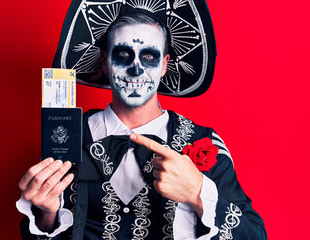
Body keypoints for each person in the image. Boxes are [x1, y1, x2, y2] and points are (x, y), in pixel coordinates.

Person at [17, 2, 267, 240]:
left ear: (164, 65)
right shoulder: (66, 135)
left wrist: (198, 192)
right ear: (104, 62)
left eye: (149, 56)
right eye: (123, 54)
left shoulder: (204, 142)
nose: (136, 69)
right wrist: (46, 216)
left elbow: (255, 235)